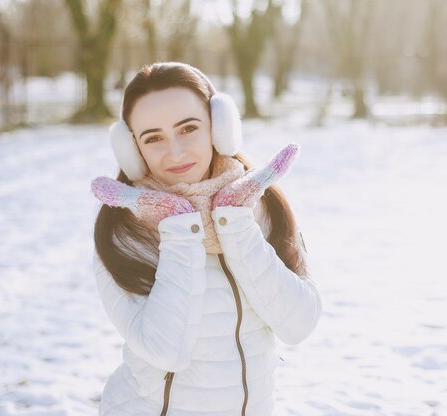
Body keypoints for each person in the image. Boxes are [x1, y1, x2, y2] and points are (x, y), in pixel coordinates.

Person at [90, 61, 322, 416]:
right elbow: (166, 350)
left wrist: (236, 223)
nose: (175, 152)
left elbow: (298, 324)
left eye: (188, 128)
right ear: (132, 149)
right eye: (153, 138)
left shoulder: (260, 207)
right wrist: (179, 226)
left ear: (220, 126)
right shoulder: (123, 232)